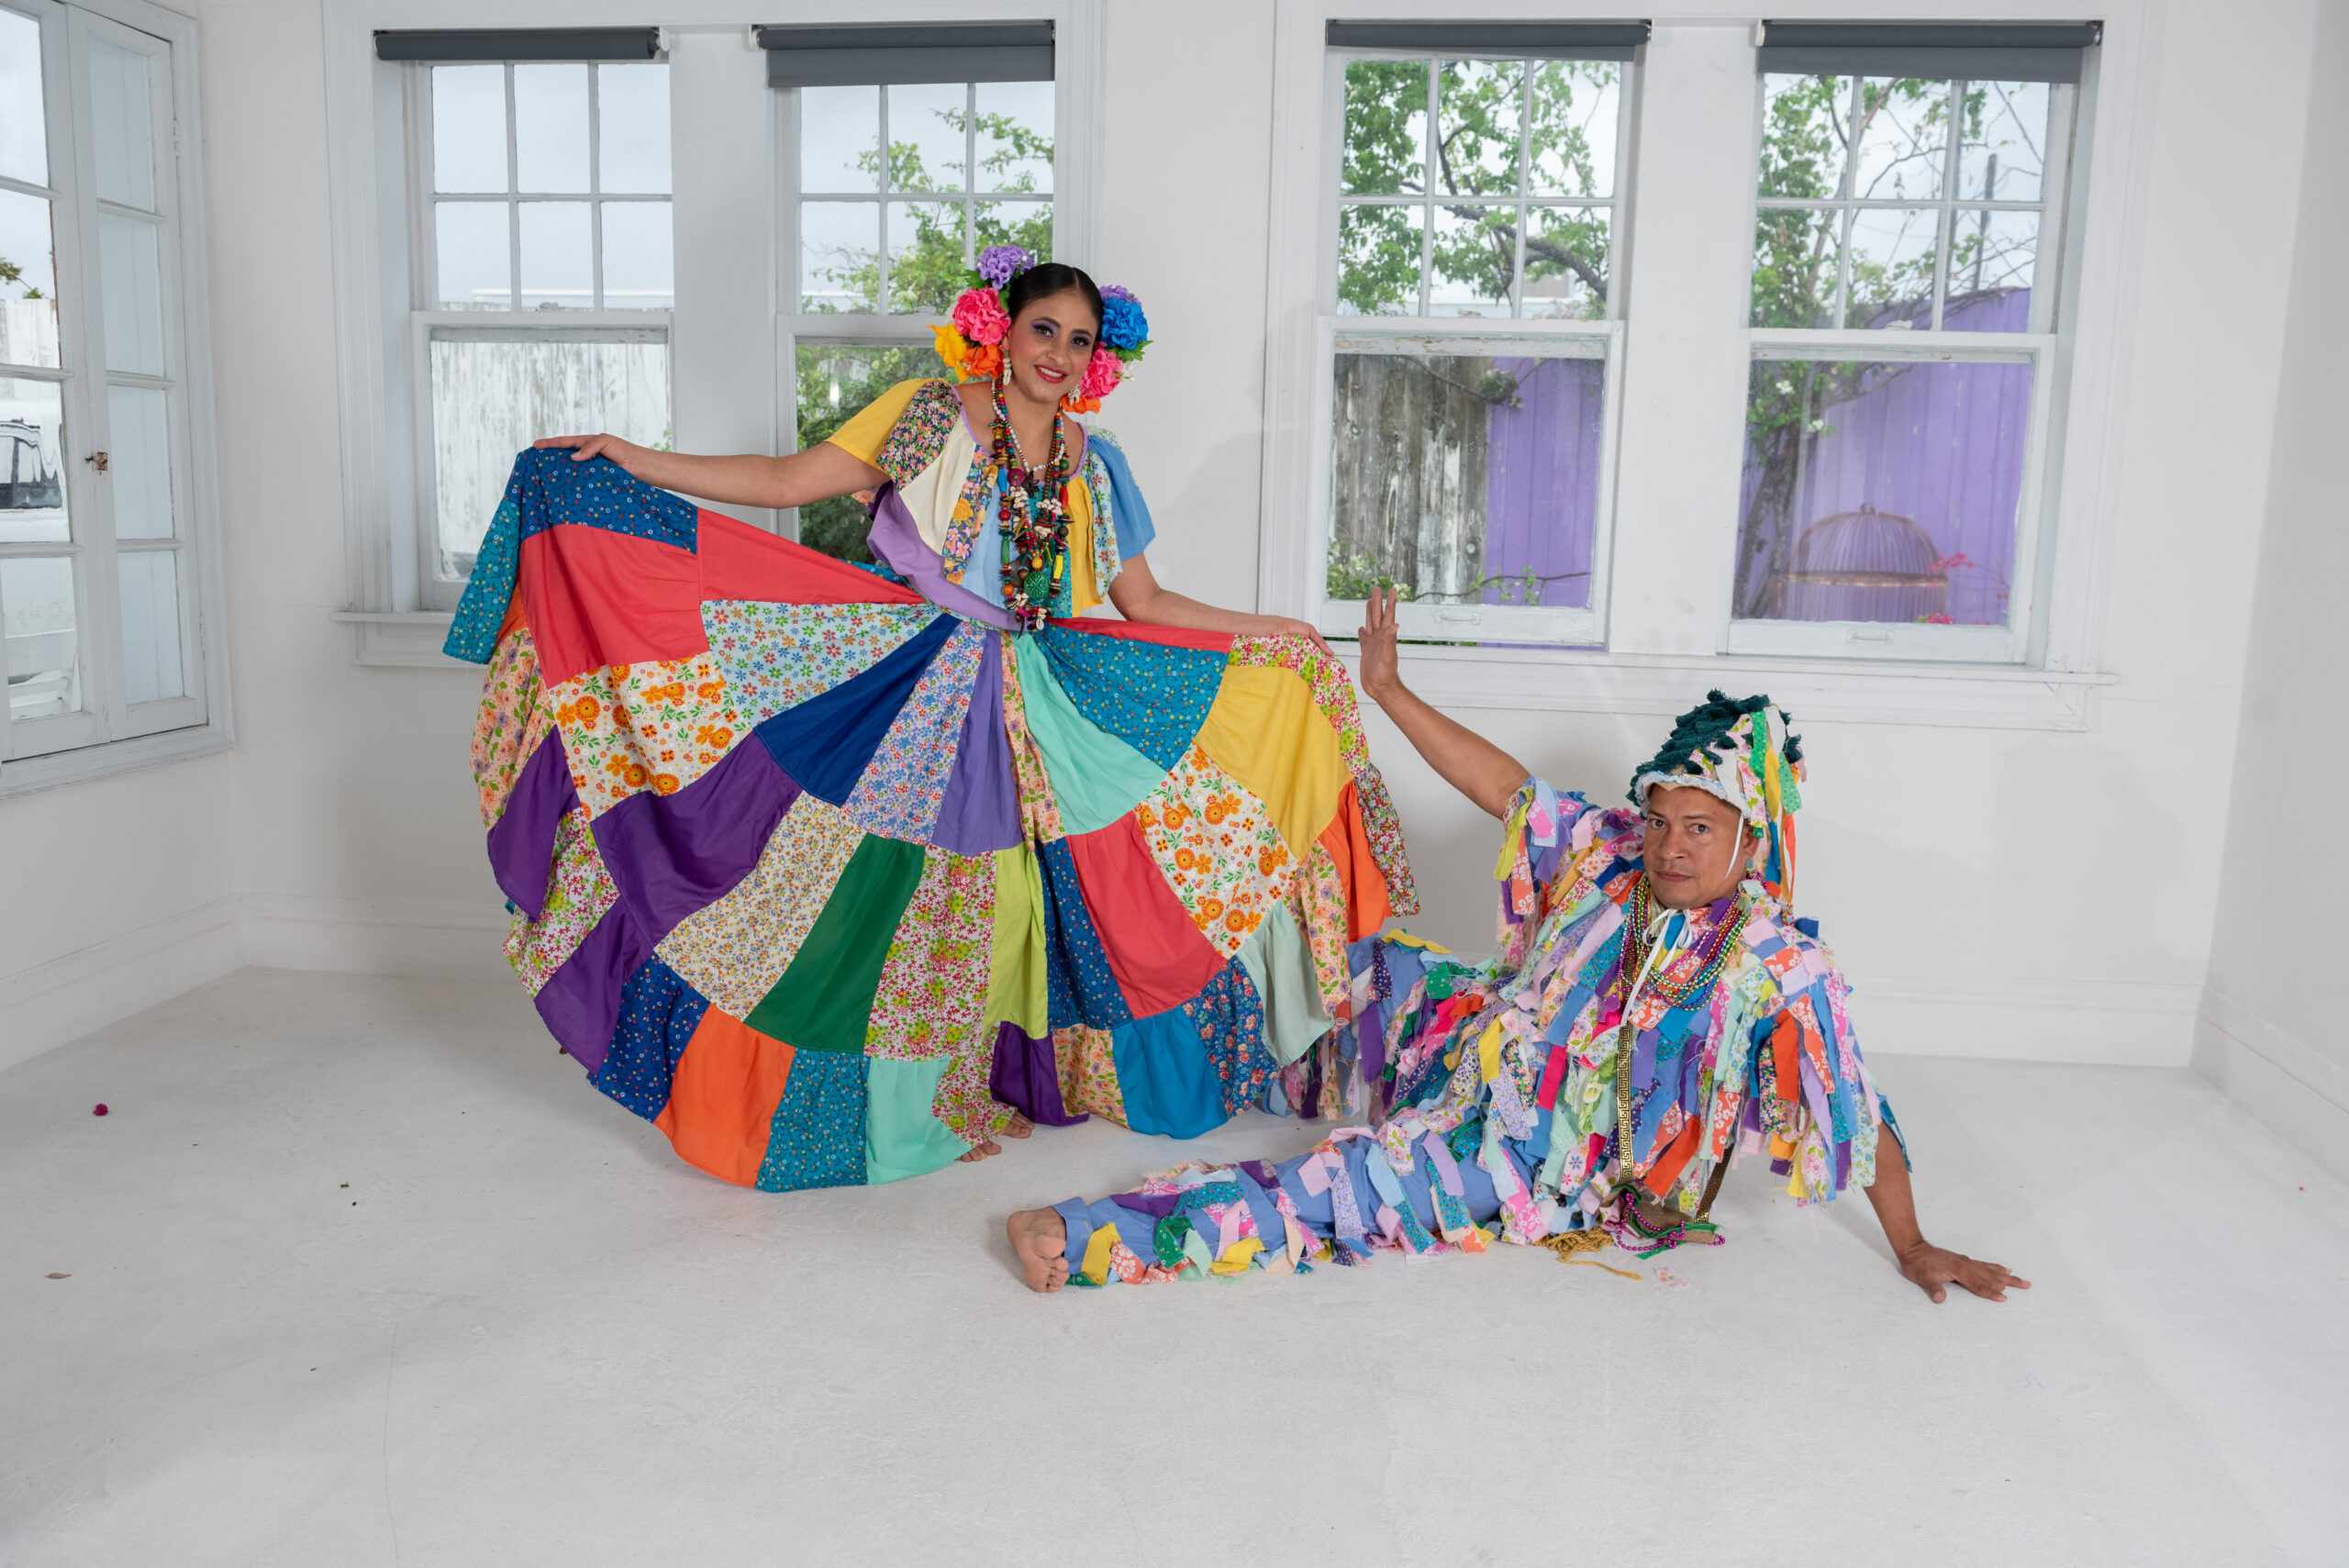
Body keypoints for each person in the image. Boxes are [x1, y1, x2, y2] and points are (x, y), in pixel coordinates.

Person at [450, 252, 1419, 1196]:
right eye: (1045, 329)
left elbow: (1146, 599)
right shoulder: (933, 415)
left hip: (1045, 695)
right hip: (923, 679)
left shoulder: (1096, 460)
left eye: (1080, 342)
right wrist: (632, 457)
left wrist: (1280, 633)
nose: (1060, 355)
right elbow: (788, 482)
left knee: (1015, 908)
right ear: (1002, 330)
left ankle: (971, 1089)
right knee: (907, 903)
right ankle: (904, 1110)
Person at [1005, 588, 2030, 1304]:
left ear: (1749, 839)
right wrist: (1390, 689)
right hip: (1466, 1034)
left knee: (1346, 1189)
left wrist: (1912, 1242)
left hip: (1534, 1154)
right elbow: (1504, 787)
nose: (1671, 843)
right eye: (1664, 816)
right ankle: (1130, 1059)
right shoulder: (1611, 852)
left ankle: (1097, 1239)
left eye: (1700, 827)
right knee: (1336, 956)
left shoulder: (1779, 965)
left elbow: (1858, 1111)